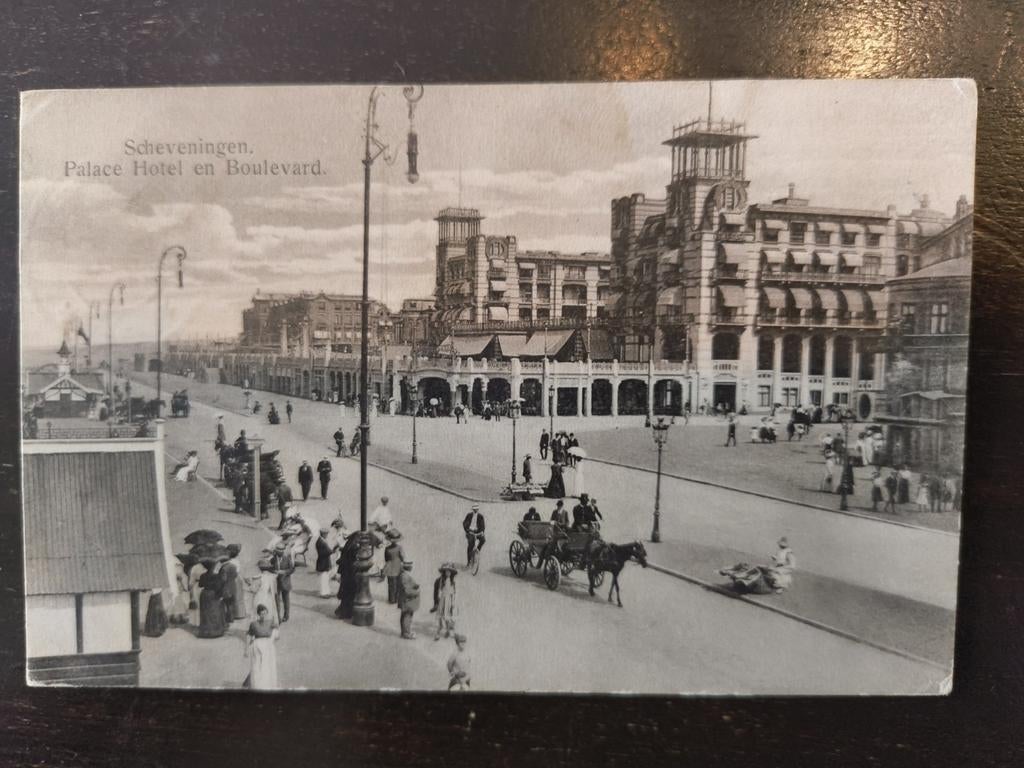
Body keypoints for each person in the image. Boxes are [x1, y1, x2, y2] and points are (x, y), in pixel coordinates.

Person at [245, 604, 279, 690]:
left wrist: (273, 637)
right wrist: (246, 649)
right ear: (258, 614)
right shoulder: (253, 624)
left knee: (267, 666)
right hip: (257, 646)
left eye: (265, 613)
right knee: (257, 665)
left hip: (268, 647)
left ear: (267, 613)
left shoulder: (270, 622)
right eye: (261, 614)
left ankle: (267, 685)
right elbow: (248, 635)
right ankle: (257, 685)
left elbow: (277, 634)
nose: (263, 615)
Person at [197, 561, 228, 639]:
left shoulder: (203, 575)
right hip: (213, 594)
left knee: (205, 613)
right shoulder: (216, 576)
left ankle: (206, 631)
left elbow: (200, 585)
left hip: (204, 594)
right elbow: (218, 586)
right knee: (215, 612)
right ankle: (215, 631)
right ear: (213, 567)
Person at [252, 553, 280, 625]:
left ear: (260, 568)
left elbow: (253, 590)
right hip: (269, 598)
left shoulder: (257, 577)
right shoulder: (273, 577)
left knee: (257, 612)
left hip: (259, 597)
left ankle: (258, 629)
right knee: (269, 612)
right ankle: (268, 629)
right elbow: (275, 591)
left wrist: (249, 584)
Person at [433, 563, 458, 641]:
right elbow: (439, 591)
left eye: (449, 572)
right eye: (446, 572)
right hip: (442, 600)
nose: (448, 573)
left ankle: (447, 630)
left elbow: (454, 593)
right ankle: (438, 631)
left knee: (447, 616)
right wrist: (438, 600)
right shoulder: (441, 580)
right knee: (440, 615)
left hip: (449, 601)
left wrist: (453, 602)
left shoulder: (452, 582)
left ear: (452, 573)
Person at [222, 544, 248, 621]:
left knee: (233, 596)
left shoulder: (230, 562)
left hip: (232, 578)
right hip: (237, 578)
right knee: (238, 596)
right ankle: (240, 613)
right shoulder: (236, 561)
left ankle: (233, 614)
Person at [397, 560, 420, 639]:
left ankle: (404, 632)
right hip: (407, 601)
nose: (412, 567)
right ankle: (406, 633)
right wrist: (416, 592)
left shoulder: (404, 575)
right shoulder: (405, 576)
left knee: (405, 615)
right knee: (407, 616)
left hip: (405, 600)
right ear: (408, 567)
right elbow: (407, 591)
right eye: (411, 566)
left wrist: (414, 585)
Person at [383, 529, 406, 604]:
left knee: (390, 584)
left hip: (389, 567)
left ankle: (391, 599)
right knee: (397, 584)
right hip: (397, 567)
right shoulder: (399, 548)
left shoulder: (387, 548)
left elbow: (386, 559)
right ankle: (396, 599)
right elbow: (402, 557)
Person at [273, 542, 295, 623]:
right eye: (278, 550)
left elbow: (292, 569)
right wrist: (274, 571)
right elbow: (270, 568)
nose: (280, 552)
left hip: (285, 582)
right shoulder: (273, 559)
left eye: (281, 550)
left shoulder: (287, 559)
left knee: (286, 600)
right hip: (276, 583)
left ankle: (286, 616)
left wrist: (284, 572)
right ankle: (278, 617)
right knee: (277, 600)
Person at [315, 528, 336, 598]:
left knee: (326, 578)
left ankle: (327, 591)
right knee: (323, 578)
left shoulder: (321, 540)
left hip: (324, 562)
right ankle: (323, 593)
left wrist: (331, 551)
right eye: (326, 534)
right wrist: (332, 551)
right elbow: (325, 552)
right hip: (323, 562)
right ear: (323, 534)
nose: (327, 535)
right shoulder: (321, 542)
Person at [169, 560, 190, 625]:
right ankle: (177, 618)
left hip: (177, 589)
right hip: (176, 589)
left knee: (178, 604)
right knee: (178, 604)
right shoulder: (179, 572)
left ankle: (177, 618)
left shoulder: (176, 571)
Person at [188, 559, 207, 627]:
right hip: (199, 586)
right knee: (198, 604)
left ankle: (200, 622)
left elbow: (191, 581)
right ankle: (198, 622)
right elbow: (191, 580)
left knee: (200, 604)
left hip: (201, 586)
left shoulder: (196, 567)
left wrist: (190, 586)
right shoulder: (196, 567)